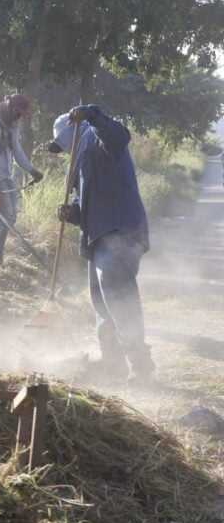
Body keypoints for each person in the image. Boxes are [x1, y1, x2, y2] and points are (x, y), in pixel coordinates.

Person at [50, 105, 154, 384]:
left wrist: (92, 114)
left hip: (120, 230)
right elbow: (87, 204)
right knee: (102, 304)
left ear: (76, 131)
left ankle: (139, 365)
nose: (65, 152)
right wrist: (71, 212)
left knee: (118, 297)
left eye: (64, 143)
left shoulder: (99, 139)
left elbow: (120, 137)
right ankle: (113, 365)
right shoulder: (81, 162)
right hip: (97, 236)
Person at [0, 94, 44, 264]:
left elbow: (18, 153)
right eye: (17, 112)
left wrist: (32, 171)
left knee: (11, 217)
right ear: (9, 106)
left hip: (6, 175)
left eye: (20, 114)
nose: (18, 117)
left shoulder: (11, 126)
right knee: (6, 216)